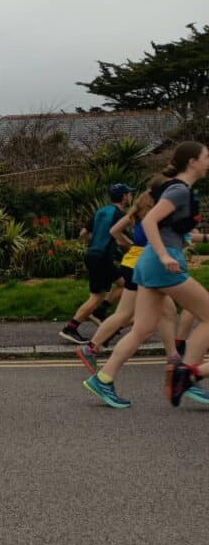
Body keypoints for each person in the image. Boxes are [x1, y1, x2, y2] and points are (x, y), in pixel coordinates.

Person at [83, 142, 209, 408]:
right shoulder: (178, 190)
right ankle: (187, 375)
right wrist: (164, 255)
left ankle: (103, 378)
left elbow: (169, 228)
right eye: (206, 156)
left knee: (141, 328)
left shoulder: (179, 190)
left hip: (149, 263)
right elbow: (150, 221)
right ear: (193, 162)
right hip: (162, 264)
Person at [75, 185, 179, 374]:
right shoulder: (156, 218)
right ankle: (174, 360)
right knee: (165, 313)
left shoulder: (135, 215)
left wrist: (130, 245)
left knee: (140, 312)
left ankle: (90, 347)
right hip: (147, 267)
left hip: (130, 264)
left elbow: (114, 231)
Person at [59, 184, 134, 344]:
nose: (130, 197)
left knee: (123, 283)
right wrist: (134, 247)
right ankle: (71, 327)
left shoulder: (101, 211)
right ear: (124, 197)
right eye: (129, 194)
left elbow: (83, 233)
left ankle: (100, 311)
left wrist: (94, 244)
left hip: (92, 254)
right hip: (103, 257)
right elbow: (119, 237)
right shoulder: (119, 214)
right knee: (97, 297)